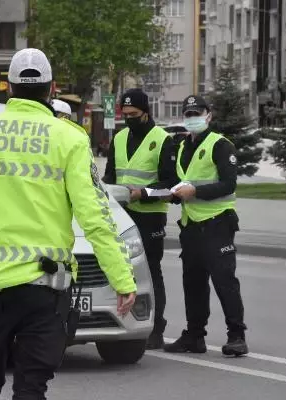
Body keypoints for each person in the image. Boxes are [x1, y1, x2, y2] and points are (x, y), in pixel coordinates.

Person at [0, 48, 137, 400]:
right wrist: (121, 278)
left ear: (8, 88)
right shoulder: (69, 138)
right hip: (43, 287)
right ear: (51, 88)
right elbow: (96, 216)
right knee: (31, 386)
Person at [163, 95, 248, 357]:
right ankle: (195, 335)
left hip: (217, 223)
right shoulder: (182, 146)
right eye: (188, 114)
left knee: (224, 281)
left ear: (209, 115)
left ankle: (237, 336)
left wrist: (194, 192)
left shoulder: (220, 145)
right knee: (194, 282)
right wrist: (175, 194)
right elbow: (184, 181)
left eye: (197, 113)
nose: (192, 118)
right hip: (191, 224)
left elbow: (228, 184)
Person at [102, 88, 177, 349]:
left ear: (146, 112)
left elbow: (171, 185)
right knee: (120, 270)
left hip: (150, 216)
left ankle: (156, 328)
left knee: (150, 272)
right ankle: (121, 320)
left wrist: (142, 193)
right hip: (121, 216)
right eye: (126, 114)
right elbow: (110, 177)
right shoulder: (120, 138)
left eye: (134, 114)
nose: (129, 119)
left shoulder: (162, 139)